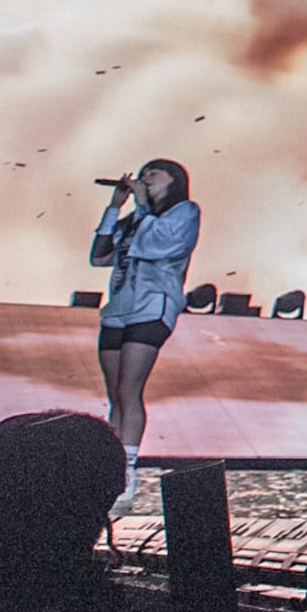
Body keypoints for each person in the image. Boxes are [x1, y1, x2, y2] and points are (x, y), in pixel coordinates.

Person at [88, 159, 199, 515]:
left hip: (153, 303)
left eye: (154, 173)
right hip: (120, 305)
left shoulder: (184, 212)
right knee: (114, 394)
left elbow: (162, 245)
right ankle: (110, 465)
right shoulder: (136, 218)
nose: (145, 178)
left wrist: (142, 205)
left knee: (129, 388)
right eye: (143, 172)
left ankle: (128, 468)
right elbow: (100, 256)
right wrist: (114, 208)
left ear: (174, 180)